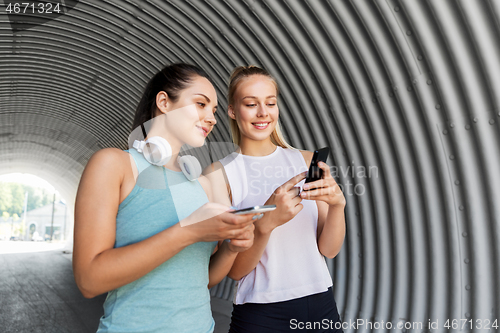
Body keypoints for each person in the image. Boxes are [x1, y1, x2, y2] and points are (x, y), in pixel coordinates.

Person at [73, 63, 262, 333]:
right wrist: (189, 232)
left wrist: (231, 248)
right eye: (201, 104)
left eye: (214, 111)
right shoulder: (114, 165)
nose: (212, 118)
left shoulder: (203, 186)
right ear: (164, 102)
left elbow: (201, 279)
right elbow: (89, 280)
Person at [204, 66, 346, 333]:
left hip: (320, 305)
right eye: (251, 104)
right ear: (233, 111)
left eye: (270, 103)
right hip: (261, 314)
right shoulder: (219, 174)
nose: (263, 113)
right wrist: (265, 225)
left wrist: (339, 205)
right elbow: (235, 272)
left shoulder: (305, 161)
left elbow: (329, 250)